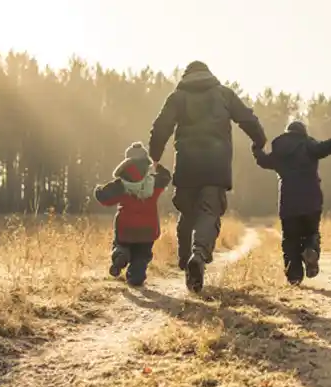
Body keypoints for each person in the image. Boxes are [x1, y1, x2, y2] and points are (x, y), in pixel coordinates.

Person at [148, 61, 268, 293]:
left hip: (186, 165)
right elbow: (247, 118)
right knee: (209, 212)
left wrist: (155, 156)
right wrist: (260, 141)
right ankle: (198, 254)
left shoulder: (178, 97)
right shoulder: (224, 94)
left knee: (187, 212)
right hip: (216, 165)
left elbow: (161, 126)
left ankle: (186, 262)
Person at [252, 120, 331, 285]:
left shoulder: (279, 150)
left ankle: (294, 276)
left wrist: (256, 148)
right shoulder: (308, 144)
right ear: (303, 132)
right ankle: (310, 248)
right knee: (311, 232)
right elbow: (327, 147)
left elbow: (263, 161)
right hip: (312, 197)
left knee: (290, 239)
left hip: (289, 200)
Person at [92, 142, 173, 287]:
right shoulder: (154, 181)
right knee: (142, 256)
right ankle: (136, 278)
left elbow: (104, 198)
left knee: (121, 244)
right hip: (148, 229)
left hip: (125, 226)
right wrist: (156, 165)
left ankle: (120, 255)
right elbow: (167, 176)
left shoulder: (121, 183)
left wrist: (98, 189)